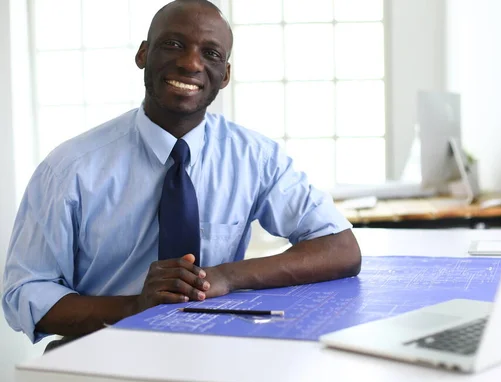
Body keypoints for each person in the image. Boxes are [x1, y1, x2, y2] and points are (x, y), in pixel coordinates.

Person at [1, 0, 361, 346]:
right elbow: (25, 291)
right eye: (174, 44)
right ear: (143, 54)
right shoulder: (69, 168)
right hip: (102, 352)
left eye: (211, 54)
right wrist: (133, 308)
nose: (190, 63)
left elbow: (340, 248)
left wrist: (225, 277)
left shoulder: (256, 157)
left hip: (215, 352)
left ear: (225, 75)